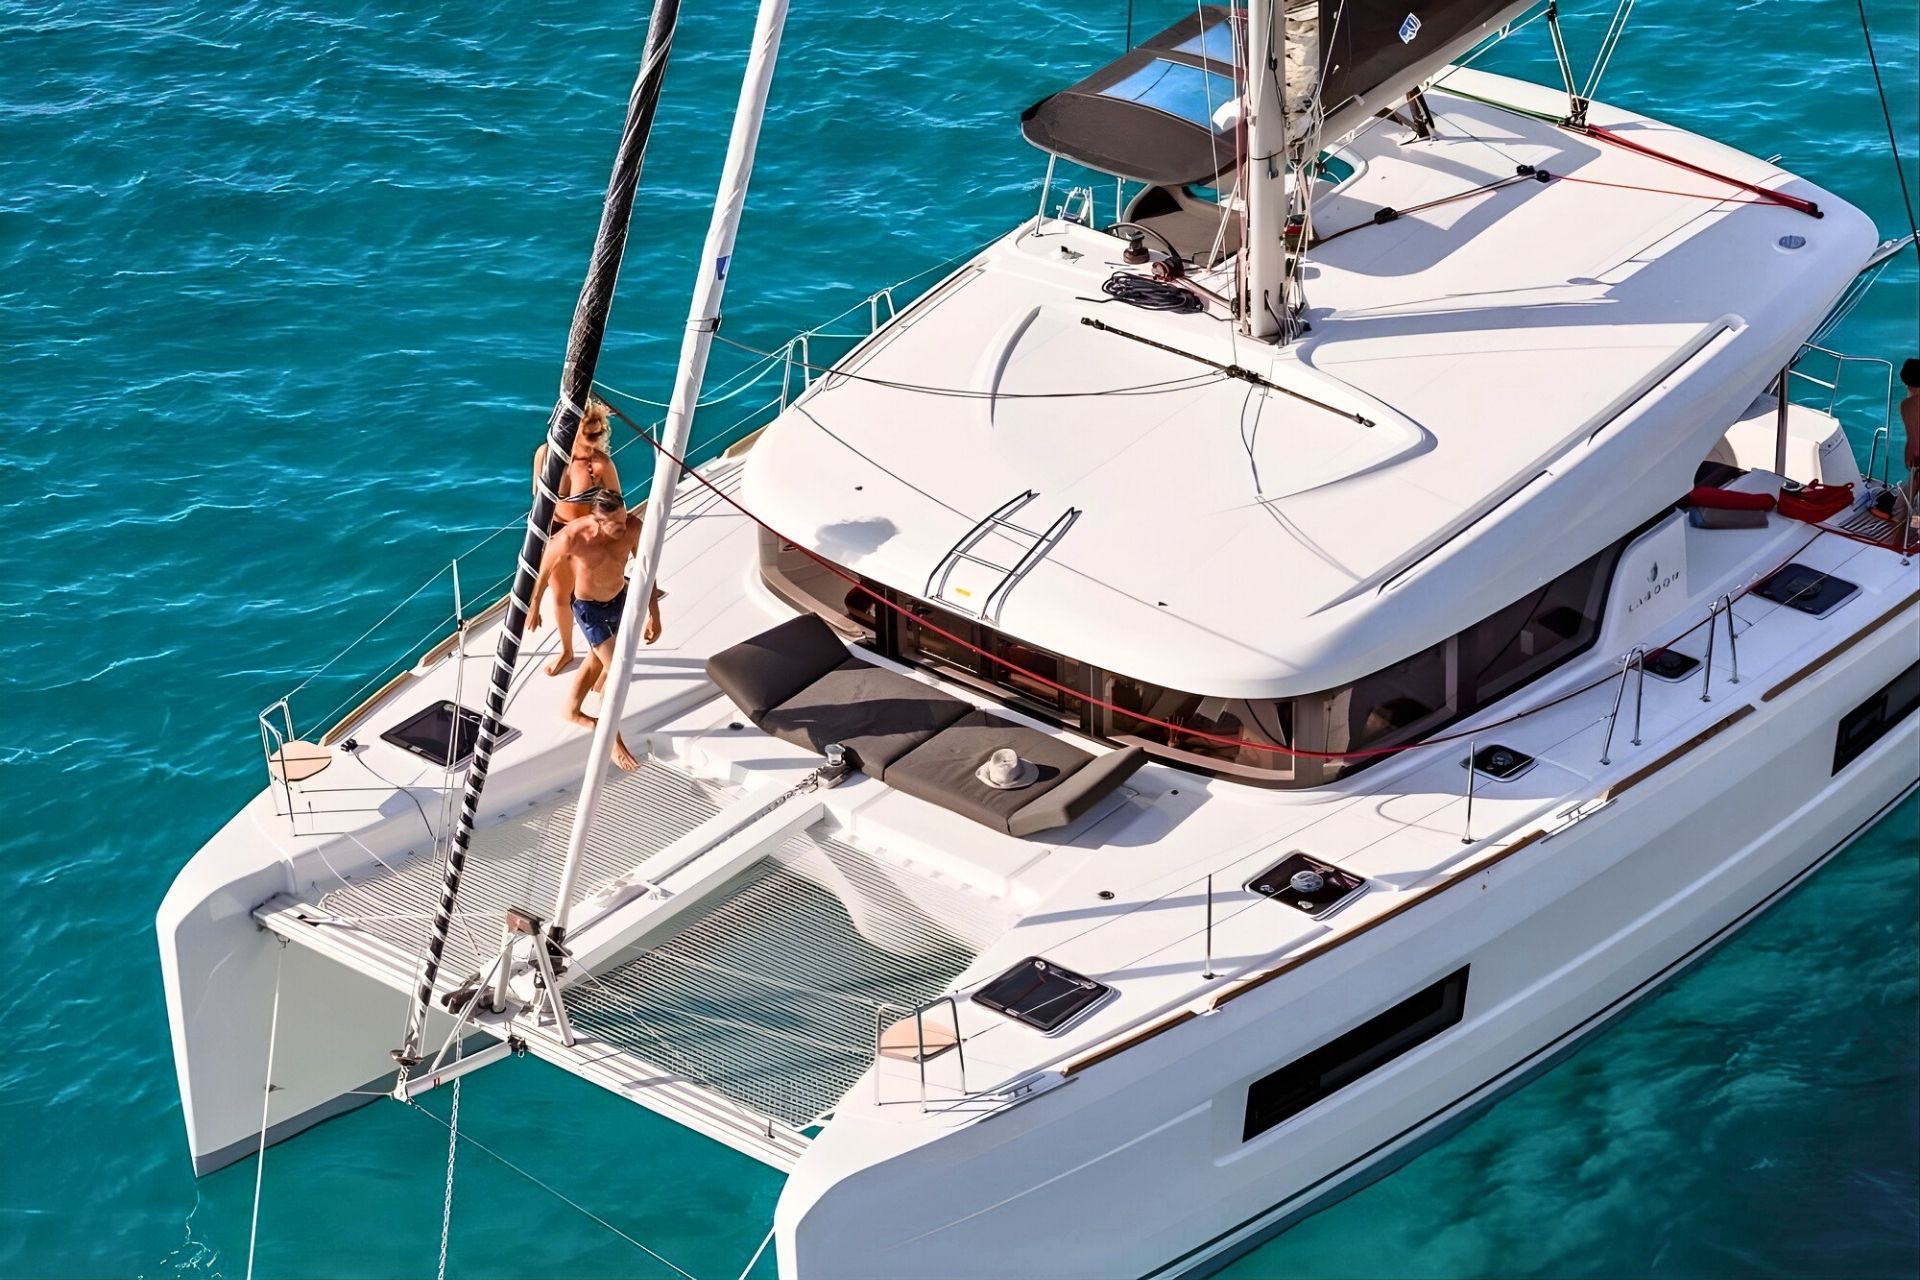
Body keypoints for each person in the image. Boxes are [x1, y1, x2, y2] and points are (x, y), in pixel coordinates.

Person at [527, 489, 664, 772]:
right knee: (616, 672)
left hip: (619, 598)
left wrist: (655, 613)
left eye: (624, 520)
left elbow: (645, 571)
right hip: (589, 609)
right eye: (616, 525)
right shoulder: (573, 537)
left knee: (596, 659)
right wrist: (535, 604)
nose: (624, 528)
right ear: (598, 521)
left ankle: (571, 710)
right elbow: (545, 568)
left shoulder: (633, 527)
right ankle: (611, 739)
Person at [531, 399, 621, 674]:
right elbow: (538, 496)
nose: (597, 440)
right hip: (557, 535)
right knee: (560, 595)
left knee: (587, 598)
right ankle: (567, 650)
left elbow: (617, 506)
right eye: (590, 434)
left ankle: (601, 651)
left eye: (600, 433)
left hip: (586, 537)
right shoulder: (546, 454)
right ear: (573, 430)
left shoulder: (601, 465)